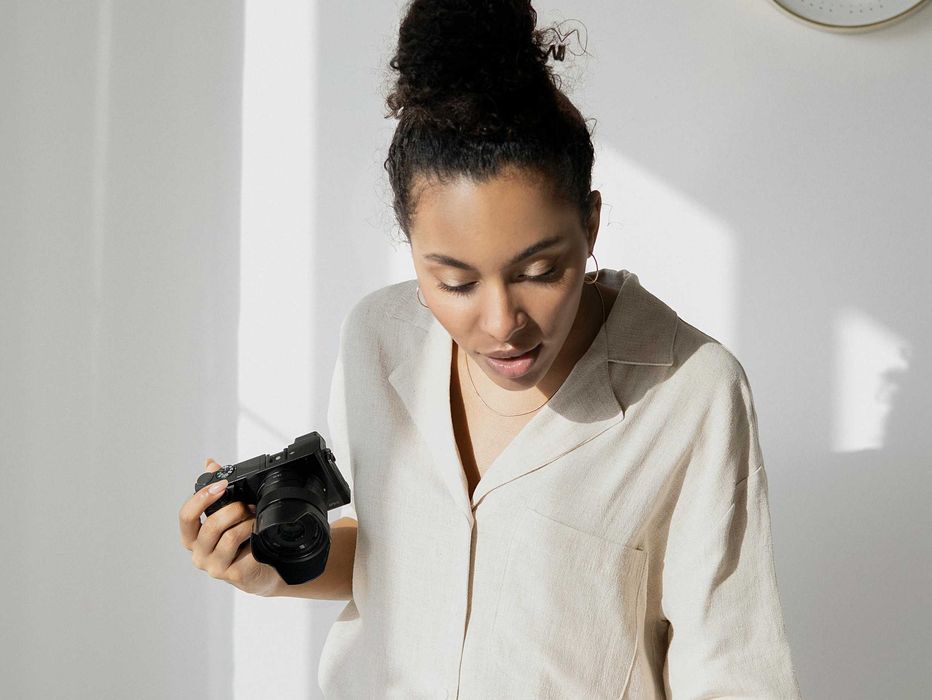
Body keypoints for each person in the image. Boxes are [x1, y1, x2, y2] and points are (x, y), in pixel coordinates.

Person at [179, 0, 803, 697]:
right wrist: (270, 571)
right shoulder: (375, 340)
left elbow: (732, 663)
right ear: (411, 249)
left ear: (590, 222)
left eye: (540, 272)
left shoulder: (691, 390)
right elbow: (397, 558)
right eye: (454, 281)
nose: (501, 321)